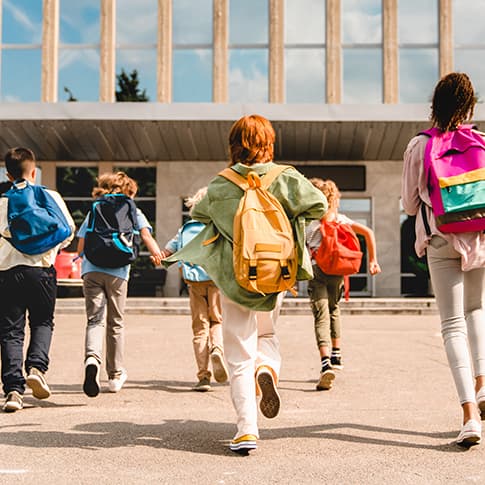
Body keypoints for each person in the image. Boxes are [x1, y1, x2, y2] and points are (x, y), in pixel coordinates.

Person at [164, 114, 327, 453]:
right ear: (269, 143)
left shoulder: (221, 184)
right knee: (267, 334)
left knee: (238, 351)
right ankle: (266, 367)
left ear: (234, 144)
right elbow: (319, 205)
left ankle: (246, 428)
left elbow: (198, 217)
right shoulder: (287, 177)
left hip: (236, 276)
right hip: (276, 273)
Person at [401, 72, 485, 448]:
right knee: (477, 311)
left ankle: (469, 416)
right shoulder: (481, 141)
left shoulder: (420, 145)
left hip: (440, 237)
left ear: (435, 105)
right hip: (479, 237)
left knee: (452, 325)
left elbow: (408, 204)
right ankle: (483, 385)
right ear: (470, 106)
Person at [0, 147, 75, 412]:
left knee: (11, 331)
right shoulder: (48, 196)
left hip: (8, 272)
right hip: (42, 271)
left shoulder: (2, 201)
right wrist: (47, 249)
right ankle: (36, 368)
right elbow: (68, 230)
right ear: (34, 171)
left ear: (7, 174)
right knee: (43, 321)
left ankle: (12, 391)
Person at [77, 172, 163, 397]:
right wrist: (157, 255)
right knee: (115, 323)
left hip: (92, 270)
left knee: (94, 320)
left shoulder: (95, 208)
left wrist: (82, 261)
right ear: (129, 191)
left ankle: (91, 360)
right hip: (118, 272)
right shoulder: (133, 209)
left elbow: (81, 244)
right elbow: (145, 236)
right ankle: (114, 376)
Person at [306, 178, 381, 391]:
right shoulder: (341, 219)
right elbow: (369, 233)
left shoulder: (310, 223)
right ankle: (336, 355)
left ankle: (325, 362)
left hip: (317, 271)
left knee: (321, 315)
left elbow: (300, 249)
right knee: (334, 310)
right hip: (337, 272)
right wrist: (372, 261)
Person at [161, 187, 228, 392]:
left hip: (194, 283)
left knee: (200, 328)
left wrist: (159, 256)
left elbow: (167, 252)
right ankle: (217, 348)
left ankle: (203, 376)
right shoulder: (217, 227)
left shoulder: (185, 229)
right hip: (216, 280)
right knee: (217, 320)